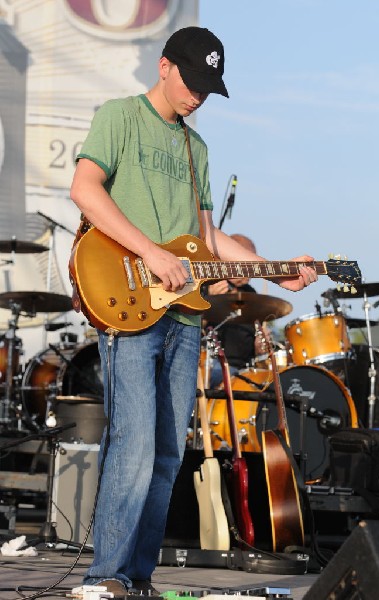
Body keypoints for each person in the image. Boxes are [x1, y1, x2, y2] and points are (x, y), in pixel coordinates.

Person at [69, 26, 318, 595]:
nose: (198, 96)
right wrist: (151, 253)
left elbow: (207, 240)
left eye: (209, 87)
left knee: (164, 453)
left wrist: (272, 267)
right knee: (133, 444)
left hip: (183, 316)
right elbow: (85, 189)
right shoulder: (119, 116)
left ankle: (135, 578)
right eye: (193, 81)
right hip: (131, 305)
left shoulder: (195, 147)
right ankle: (102, 577)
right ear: (164, 66)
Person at [203, 233, 264, 388]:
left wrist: (260, 346)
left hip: (246, 368)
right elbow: (194, 327)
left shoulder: (251, 293)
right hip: (215, 363)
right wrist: (209, 299)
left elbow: (257, 338)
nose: (250, 274)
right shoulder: (208, 285)